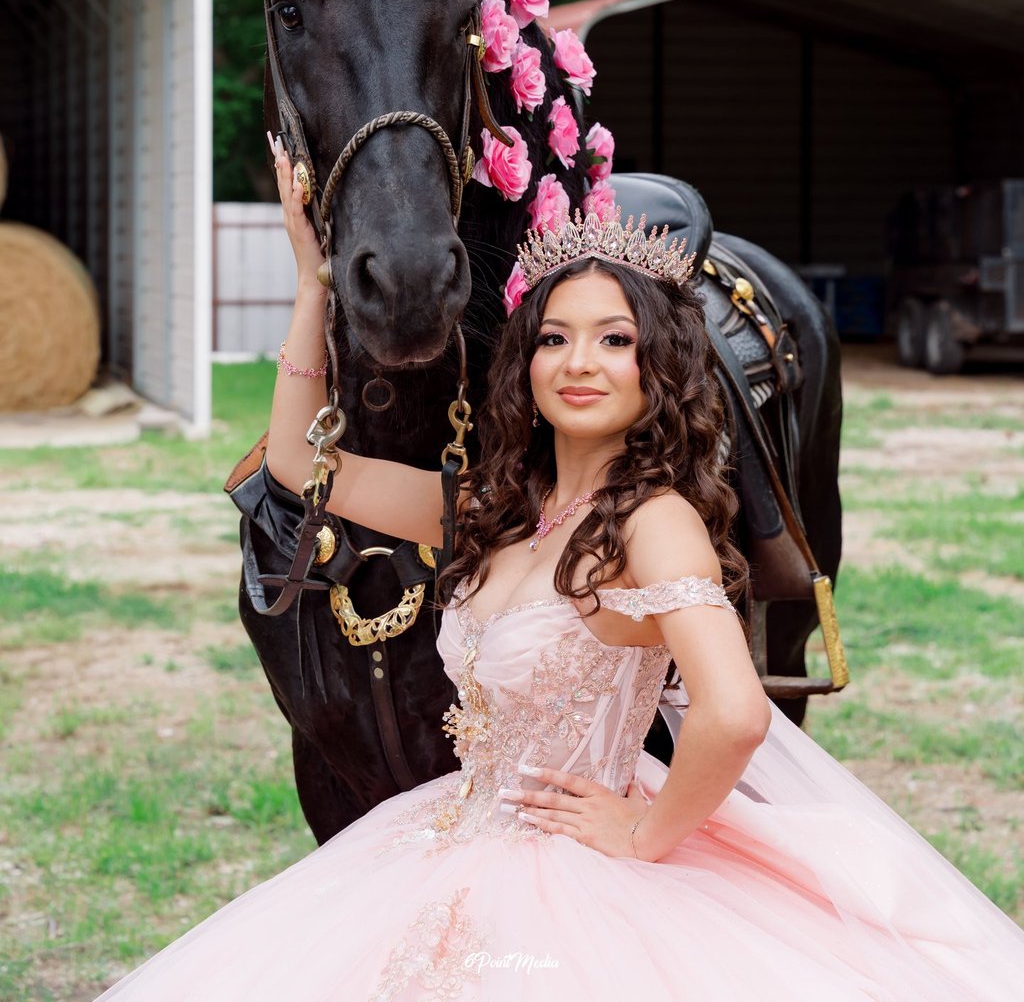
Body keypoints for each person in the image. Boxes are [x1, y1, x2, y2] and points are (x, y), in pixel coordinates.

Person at [97, 149, 1023, 1002]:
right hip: (450, 838)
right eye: (555, 339)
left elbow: (735, 713)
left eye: (614, 341)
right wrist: (314, 281)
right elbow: (303, 466)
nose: (579, 362)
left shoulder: (653, 522)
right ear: (526, 363)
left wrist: (641, 833)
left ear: (657, 367)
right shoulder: (494, 509)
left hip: (577, 879)